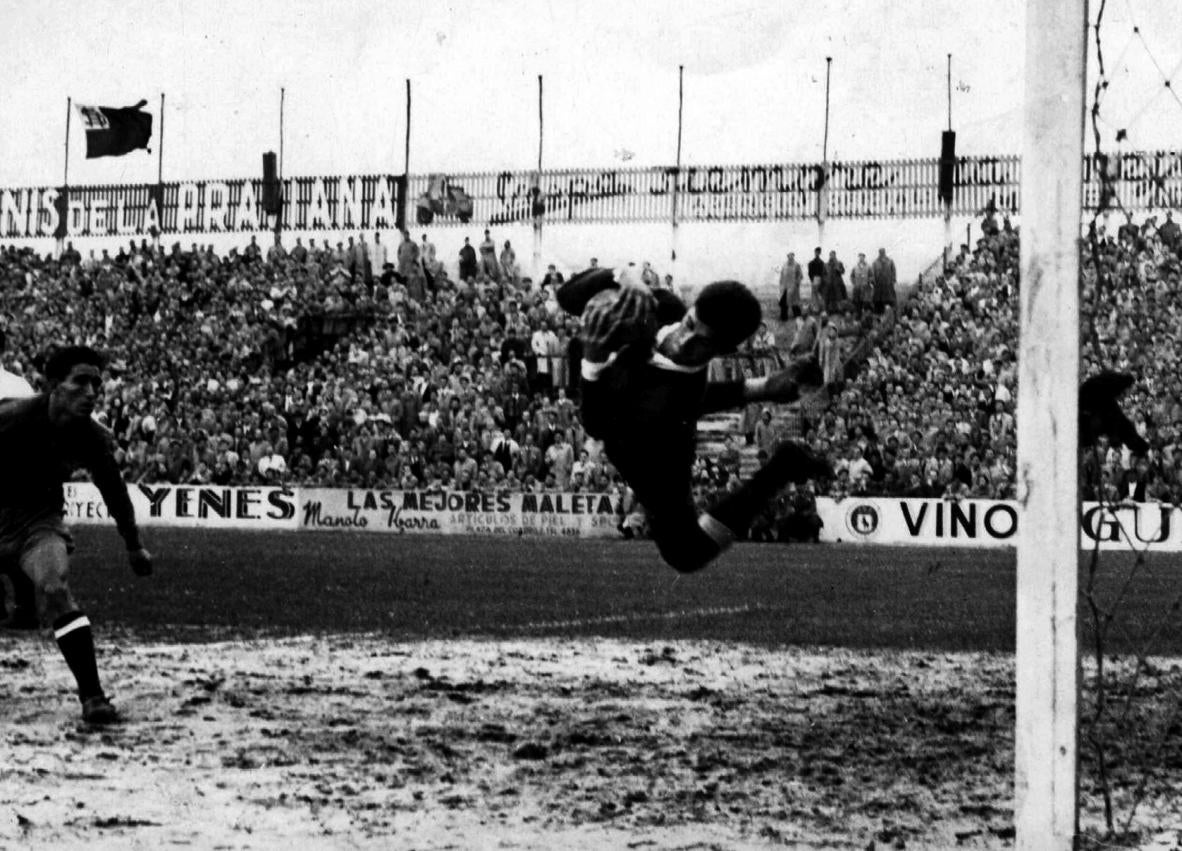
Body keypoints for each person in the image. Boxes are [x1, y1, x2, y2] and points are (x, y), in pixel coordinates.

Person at [557, 267, 830, 573]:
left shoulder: (673, 398)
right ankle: (783, 450)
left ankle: (782, 467)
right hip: (642, 409)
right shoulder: (664, 307)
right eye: (689, 324)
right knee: (686, 554)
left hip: (649, 455)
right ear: (689, 310)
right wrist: (624, 275)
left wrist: (593, 361)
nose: (684, 340)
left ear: (722, 352)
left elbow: (596, 424)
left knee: (685, 554)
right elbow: (567, 295)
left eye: (701, 343)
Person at [0, 346, 153, 724]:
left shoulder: (92, 437)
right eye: (80, 381)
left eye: (96, 384)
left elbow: (114, 492)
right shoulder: (11, 419)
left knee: (54, 589)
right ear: (53, 385)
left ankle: (93, 697)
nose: (91, 391)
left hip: (37, 524)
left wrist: (134, 546)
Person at [778, 252, 803, 321]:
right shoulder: (784, 265)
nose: (790, 257)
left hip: (793, 287)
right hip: (785, 287)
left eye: (792, 256)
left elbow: (800, 275)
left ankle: (798, 316)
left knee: (794, 302)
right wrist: (781, 285)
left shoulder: (797, 265)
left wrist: (797, 283)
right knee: (783, 302)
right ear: (787, 256)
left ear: (793, 256)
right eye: (789, 256)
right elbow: (782, 275)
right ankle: (784, 317)